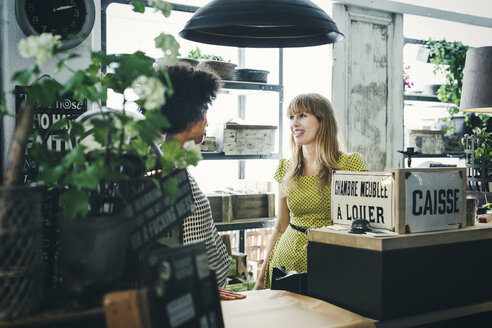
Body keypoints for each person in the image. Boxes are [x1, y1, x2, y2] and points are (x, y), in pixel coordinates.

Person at [254, 93, 368, 290]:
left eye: (302, 116)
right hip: (285, 263)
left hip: (332, 264)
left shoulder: (350, 164)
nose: (294, 124)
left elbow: (364, 223)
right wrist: (261, 279)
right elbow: (280, 227)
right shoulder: (285, 167)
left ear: (323, 121)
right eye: (291, 117)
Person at [158, 63, 245, 300]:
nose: (207, 122)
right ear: (190, 116)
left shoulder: (173, 162)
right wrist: (199, 289)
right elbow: (169, 246)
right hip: (196, 295)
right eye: (204, 113)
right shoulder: (165, 170)